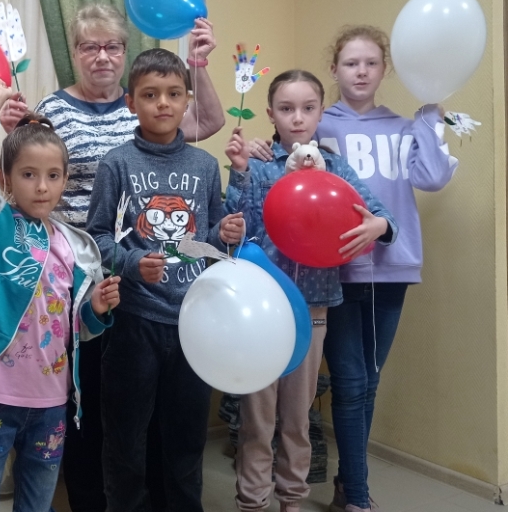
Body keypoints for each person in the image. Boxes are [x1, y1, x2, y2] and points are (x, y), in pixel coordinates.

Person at [0, 2, 227, 512]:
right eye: (89, 46)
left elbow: (208, 121)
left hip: (148, 284)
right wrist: (8, 128)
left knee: (148, 408)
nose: (101, 55)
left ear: (124, 52)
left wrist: (199, 64)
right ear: (75, 53)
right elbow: (28, 169)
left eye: (112, 46)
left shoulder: (147, 103)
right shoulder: (53, 109)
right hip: (75, 277)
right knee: (93, 403)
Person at [248, 28, 457, 512]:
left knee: (369, 380)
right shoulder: (323, 126)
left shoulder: (403, 125)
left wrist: (430, 116)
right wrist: (256, 150)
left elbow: (431, 176)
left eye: (371, 63)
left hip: (394, 264)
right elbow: (285, 151)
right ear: (335, 71)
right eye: (350, 63)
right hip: (336, 272)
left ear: (385, 69)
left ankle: (350, 483)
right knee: (350, 380)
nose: (361, 72)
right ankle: (357, 494)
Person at [224, 69, 397, 512]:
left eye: (307, 108)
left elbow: (377, 213)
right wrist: (240, 172)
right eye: (286, 109)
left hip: (314, 307)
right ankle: (252, 501)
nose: (297, 118)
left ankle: (293, 500)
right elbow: (236, 228)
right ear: (271, 114)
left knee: (298, 418)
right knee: (257, 418)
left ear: (321, 112)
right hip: (263, 308)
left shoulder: (336, 168)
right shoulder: (260, 165)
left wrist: (378, 225)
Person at [0, 80, 121, 512]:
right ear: (5, 179)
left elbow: (76, 326)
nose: (42, 187)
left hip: (51, 402)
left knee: (37, 502)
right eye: (28, 175)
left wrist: (96, 309)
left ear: (64, 180)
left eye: (52, 176)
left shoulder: (73, 245)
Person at [86, 47, 245, 512]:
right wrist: (133, 263)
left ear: (187, 101)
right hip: (134, 323)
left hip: (194, 323)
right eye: (150, 94)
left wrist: (224, 234)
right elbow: (96, 238)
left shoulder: (204, 165)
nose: (163, 103)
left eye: (174, 94)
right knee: (125, 441)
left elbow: (206, 242)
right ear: (130, 103)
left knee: (186, 441)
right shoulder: (116, 164)